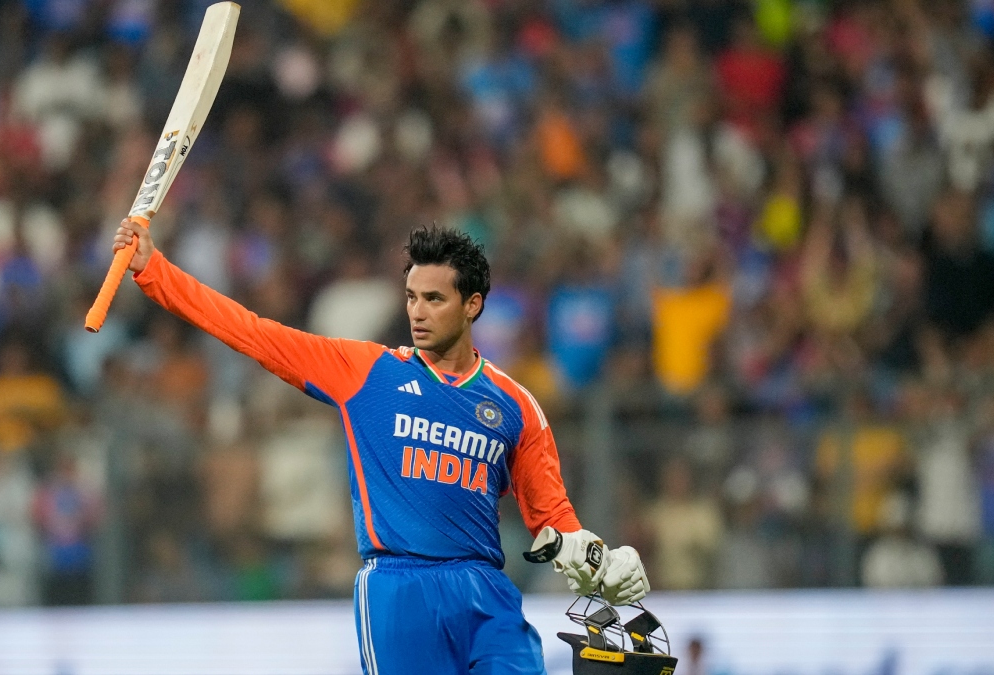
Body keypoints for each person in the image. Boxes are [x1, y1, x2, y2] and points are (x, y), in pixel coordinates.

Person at [112, 222, 649, 674]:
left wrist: (596, 558)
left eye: (434, 299)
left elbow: (552, 516)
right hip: (398, 589)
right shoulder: (366, 373)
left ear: (473, 305)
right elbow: (252, 332)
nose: (417, 312)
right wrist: (153, 269)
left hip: (488, 592)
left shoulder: (516, 406)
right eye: (412, 297)